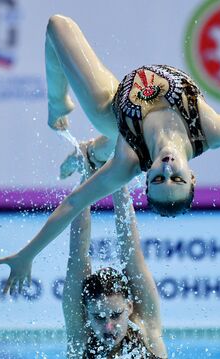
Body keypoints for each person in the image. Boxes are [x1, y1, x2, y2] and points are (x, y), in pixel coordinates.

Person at [0, 14, 220, 294]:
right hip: (130, 126)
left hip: (113, 109)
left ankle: (60, 110)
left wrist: (27, 255)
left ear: (146, 178)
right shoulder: (213, 131)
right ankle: (88, 148)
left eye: (158, 179)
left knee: (57, 26)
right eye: (176, 178)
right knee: (105, 140)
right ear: (192, 177)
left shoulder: (128, 162)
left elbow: (72, 205)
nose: (167, 169)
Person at [62, 149, 167, 358]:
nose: (109, 327)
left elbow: (131, 247)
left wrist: (118, 173)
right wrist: (87, 174)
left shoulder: (146, 331)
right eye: (99, 318)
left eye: (116, 315)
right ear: (86, 313)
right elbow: (78, 255)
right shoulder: (81, 338)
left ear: (129, 307)